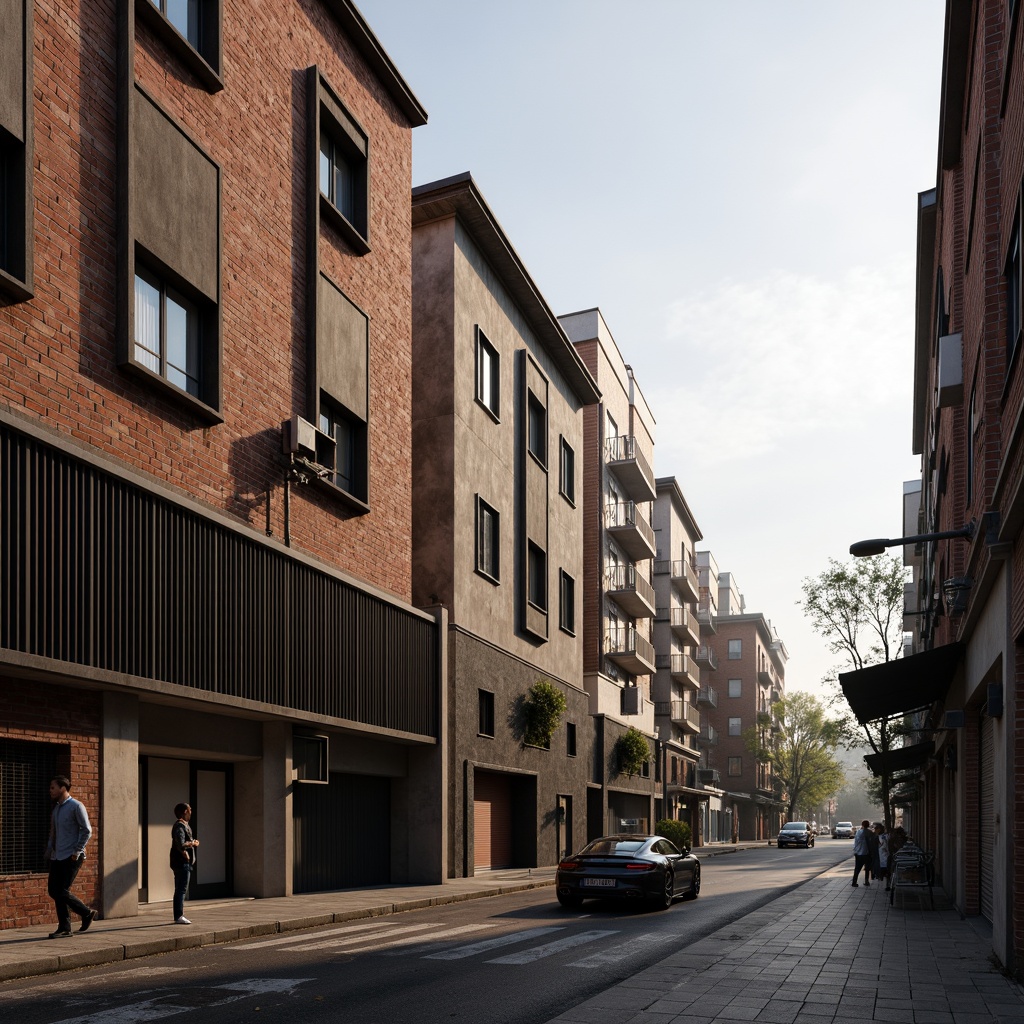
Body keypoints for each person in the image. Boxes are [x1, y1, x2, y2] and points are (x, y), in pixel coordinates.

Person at [44, 775, 97, 938]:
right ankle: (82, 916)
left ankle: (68, 925)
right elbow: (54, 833)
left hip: (72, 856)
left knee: (61, 890)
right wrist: (49, 850)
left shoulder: (76, 806)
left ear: (62, 788)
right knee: (54, 890)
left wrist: (77, 851)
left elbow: (87, 830)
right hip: (57, 855)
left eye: (53, 787)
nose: (50, 791)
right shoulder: (56, 809)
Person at [170, 802, 199, 924]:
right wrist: (193, 843)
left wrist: (192, 841)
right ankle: (179, 915)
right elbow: (180, 843)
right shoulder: (180, 826)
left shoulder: (184, 825)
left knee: (181, 888)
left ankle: (179, 915)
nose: (191, 812)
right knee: (181, 889)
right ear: (185, 811)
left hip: (184, 862)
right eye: (190, 810)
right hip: (182, 862)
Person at [851, 819, 872, 887]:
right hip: (867, 853)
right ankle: (866, 881)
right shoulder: (869, 832)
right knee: (867, 868)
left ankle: (854, 882)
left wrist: (855, 851)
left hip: (858, 853)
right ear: (868, 825)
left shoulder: (858, 832)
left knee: (857, 869)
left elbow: (855, 842)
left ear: (862, 825)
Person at [874, 823, 890, 890]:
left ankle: (887, 885)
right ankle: (887, 885)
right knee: (885, 872)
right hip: (883, 857)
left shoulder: (882, 837)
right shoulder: (884, 836)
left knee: (885, 872)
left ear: (879, 829)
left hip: (884, 857)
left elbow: (884, 846)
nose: (875, 830)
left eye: (876, 829)